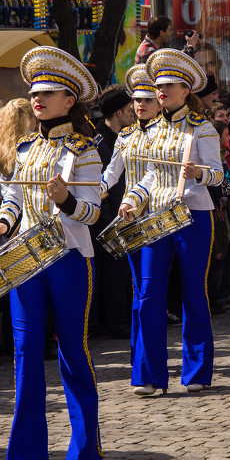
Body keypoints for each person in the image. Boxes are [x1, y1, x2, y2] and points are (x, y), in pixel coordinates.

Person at [0, 46, 103, 460]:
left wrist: (65, 200)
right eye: (33, 92)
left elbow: (91, 213)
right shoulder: (26, 146)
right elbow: (12, 197)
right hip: (26, 260)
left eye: (48, 92)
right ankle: (30, 454)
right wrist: (1, 223)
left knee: (73, 352)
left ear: (69, 100)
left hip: (69, 259)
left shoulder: (85, 149)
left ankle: (85, 448)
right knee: (25, 354)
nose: (37, 98)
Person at [119, 50, 225, 393]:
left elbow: (218, 175)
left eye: (169, 85)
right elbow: (149, 176)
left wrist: (198, 173)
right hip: (155, 217)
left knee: (193, 292)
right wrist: (132, 199)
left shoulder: (202, 128)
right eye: (159, 84)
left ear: (185, 91)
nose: (161, 90)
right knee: (149, 294)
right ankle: (148, 375)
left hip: (193, 215)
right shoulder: (153, 129)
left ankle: (196, 373)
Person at [99, 65, 165, 389]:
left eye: (147, 100)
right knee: (139, 294)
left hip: (156, 216)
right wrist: (93, 191)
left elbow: (154, 174)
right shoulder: (125, 136)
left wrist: (133, 199)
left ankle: (150, 371)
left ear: (159, 103)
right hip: (128, 217)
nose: (140, 105)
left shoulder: (166, 134)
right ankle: (141, 369)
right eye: (136, 100)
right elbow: (111, 173)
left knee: (150, 295)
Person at [91, 86, 135, 339]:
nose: (132, 114)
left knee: (120, 274)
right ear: (118, 112)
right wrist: (109, 221)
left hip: (121, 214)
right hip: (106, 221)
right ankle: (113, 323)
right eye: (129, 110)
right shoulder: (100, 143)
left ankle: (119, 319)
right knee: (111, 276)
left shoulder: (122, 138)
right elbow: (100, 185)